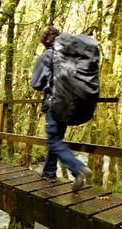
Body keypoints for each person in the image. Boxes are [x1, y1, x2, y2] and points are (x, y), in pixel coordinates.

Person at [31, 26, 92, 191]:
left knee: (53, 139)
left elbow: (36, 83)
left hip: (54, 103)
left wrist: (47, 84)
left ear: (45, 42)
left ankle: (77, 168)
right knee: (57, 139)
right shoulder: (72, 57)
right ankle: (49, 172)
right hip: (70, 105)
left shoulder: (47, 56)